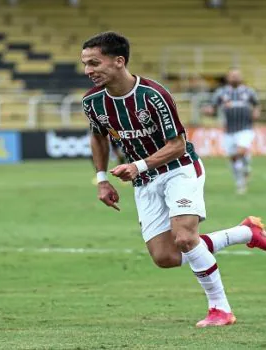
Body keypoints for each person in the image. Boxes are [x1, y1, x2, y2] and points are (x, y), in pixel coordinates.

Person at [80, 32, 266, 327]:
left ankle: (220, 309)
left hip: (179, 168)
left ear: (118, 61)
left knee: (184, 237)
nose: (88, 70)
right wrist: (102, 179)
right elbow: (98, 137)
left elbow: (178, 144)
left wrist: (138, 165)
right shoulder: (93, 102)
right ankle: (246, 233)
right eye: (85, 64)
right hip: (145, 180)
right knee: (165, 257)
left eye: (94, 63)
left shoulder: (153, 95)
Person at [203, 68, 260, 194]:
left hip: (245, 128)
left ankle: (244, 170)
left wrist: (256, 112)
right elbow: (212, 107)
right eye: (232, 75)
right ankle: (241, 179)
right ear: (228, 78)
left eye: (237, 75)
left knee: (240, 151)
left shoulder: (248, 92)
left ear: (241, 77)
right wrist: (209, 111)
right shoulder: (221, 93)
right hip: (228, 130)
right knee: (233, 158)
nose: (235, 78)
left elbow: (256, 104)